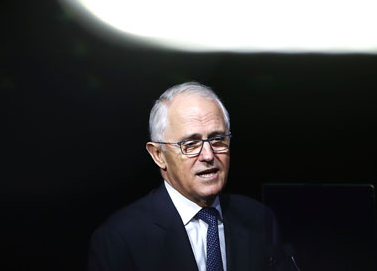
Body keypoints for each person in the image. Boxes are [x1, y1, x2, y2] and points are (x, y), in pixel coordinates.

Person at [88, 82, 294, 271]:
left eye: (218, 139)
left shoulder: (259, 219)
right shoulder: (119, 238)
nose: (208, 155)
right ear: (158, 155)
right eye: (190, 145)